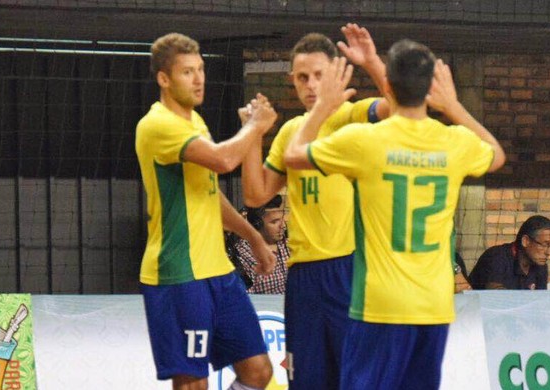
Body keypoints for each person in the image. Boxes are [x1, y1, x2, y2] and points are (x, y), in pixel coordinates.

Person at [284, 40, 505, 388]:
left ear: (390, 85)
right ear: (431, 87)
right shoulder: (455, 142)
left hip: (380, 304)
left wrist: (322, 108)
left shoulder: (365, 140)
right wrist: (453, 106)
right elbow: (497, 155)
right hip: (433, 305)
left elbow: (293, 155)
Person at [240, 24, 389, 389]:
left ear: (336, 74)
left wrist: (371, 62)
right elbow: (256, 196)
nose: (310, 85)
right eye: (302, 77)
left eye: (319, 76)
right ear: (292, 79)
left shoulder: (351, 117)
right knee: (305, 380)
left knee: (354, 378)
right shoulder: (293, 130)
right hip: (303, 278)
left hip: (349, 269)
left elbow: (401, 106)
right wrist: (252, 135)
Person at [135, 32, 278, 390]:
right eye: (187, 72)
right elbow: (225, 159)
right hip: (179, 275)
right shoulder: (157, 125)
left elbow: (209, 194)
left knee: (259, 372)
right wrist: (255, 126)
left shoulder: (195, 123)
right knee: (192, 384)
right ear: (164, 79)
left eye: (200, 69)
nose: (199, 79)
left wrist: (254, 238)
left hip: (218, 272)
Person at [468, 215, 550, 290]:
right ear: (525, 241)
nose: (549, 252)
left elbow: (539, 302)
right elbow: (495, 298)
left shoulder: (540, 266)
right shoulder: (497, 257)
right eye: (544, 245)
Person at [230, 195, 290, 294]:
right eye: (274, 222)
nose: (283, 226)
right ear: (257, 225)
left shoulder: (288, 245)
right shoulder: (244, 254)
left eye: (282, 219)